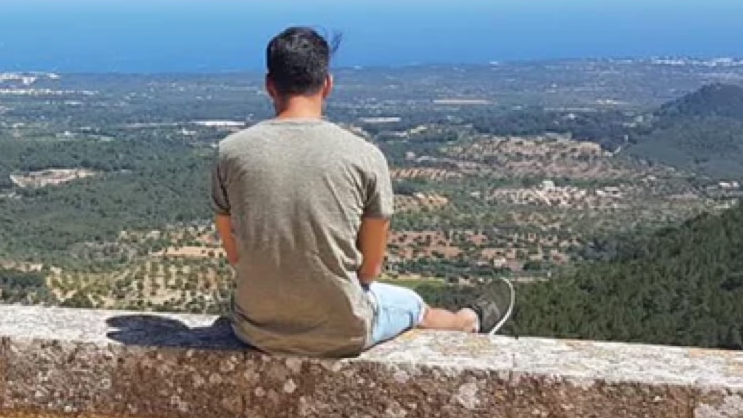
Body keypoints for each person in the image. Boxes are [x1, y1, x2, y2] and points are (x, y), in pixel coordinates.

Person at [211, 26, 515, 357]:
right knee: (413, 305)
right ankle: (467, 322)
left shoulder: (230, 153)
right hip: (343, 331)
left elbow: (237, 256)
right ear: (327, 84)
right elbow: (369, 271)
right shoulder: (364, 156)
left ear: (269, 86)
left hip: (254, 327)